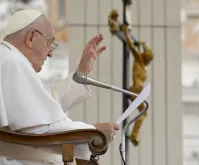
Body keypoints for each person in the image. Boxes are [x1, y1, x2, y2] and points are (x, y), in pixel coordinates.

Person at [0, 9, 119, 165]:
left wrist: (82, 71)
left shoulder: (9, 59)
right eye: (49, 43)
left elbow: (47, 103)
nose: (50, 53)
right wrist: (93, 132)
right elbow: (40, 128)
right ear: (30, 37)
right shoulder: (12, 63)